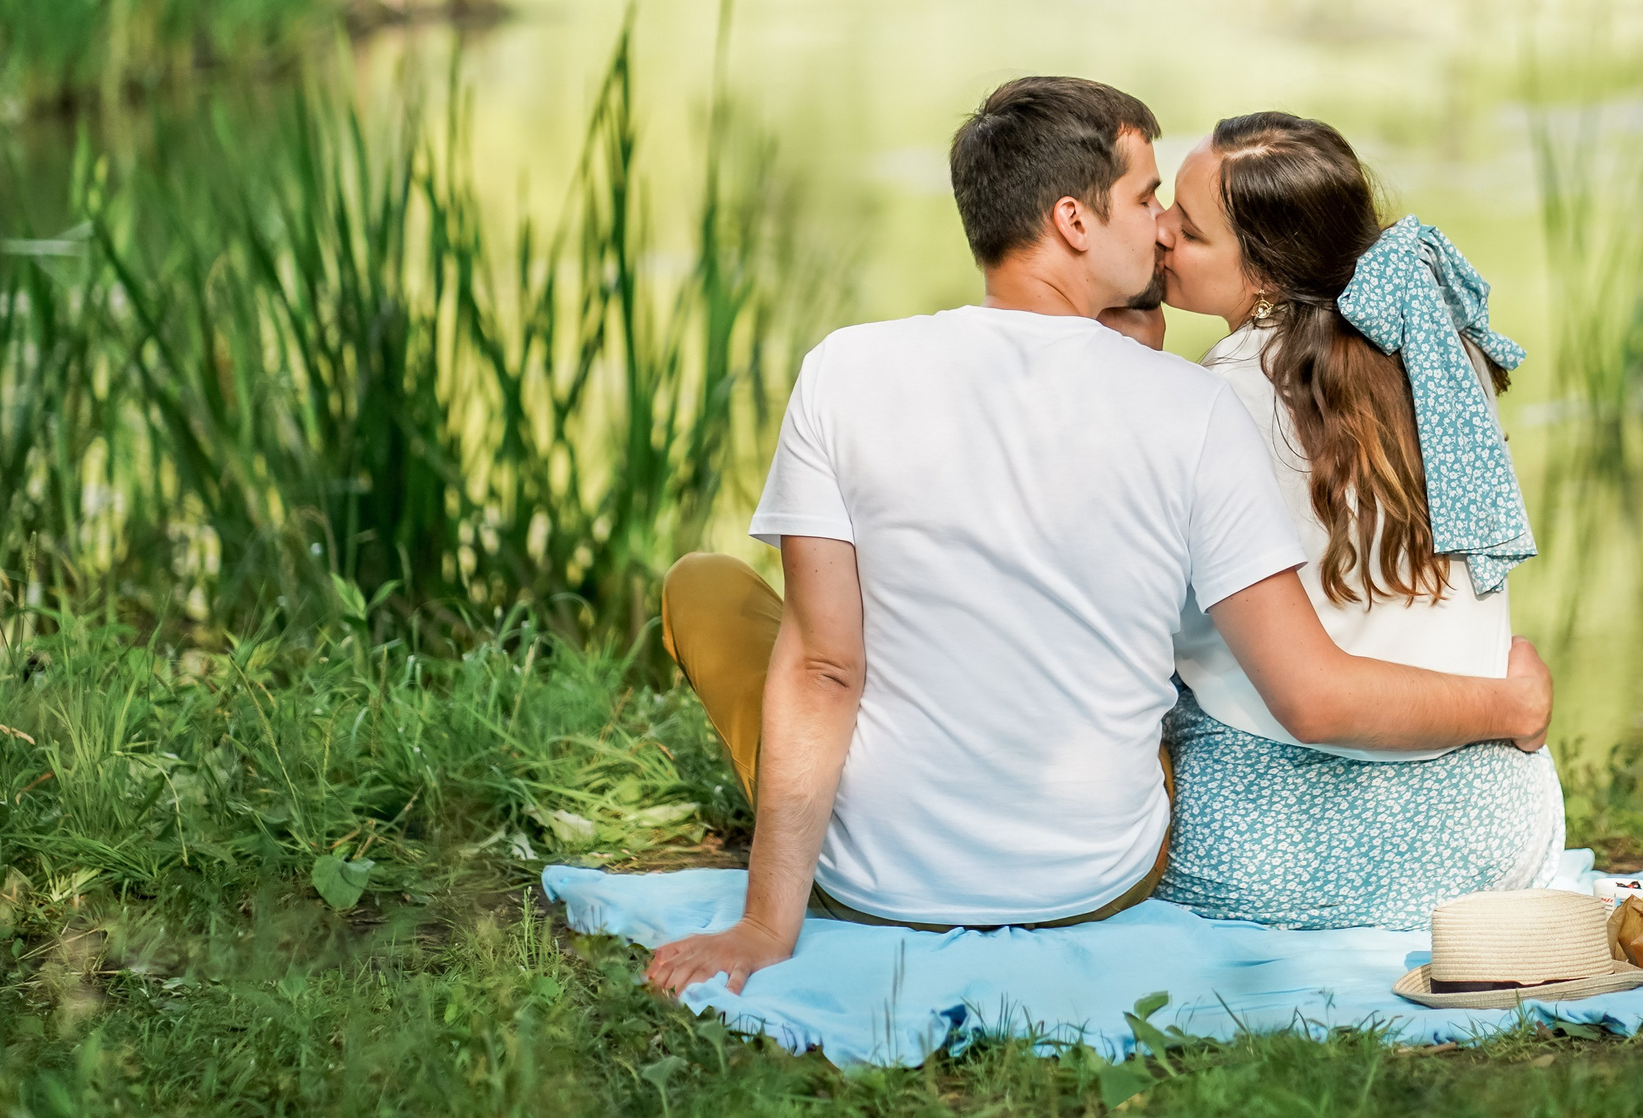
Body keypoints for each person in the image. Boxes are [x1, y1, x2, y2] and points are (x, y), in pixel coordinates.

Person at [644, 77, 1554, 997]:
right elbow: (1305, 686)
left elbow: (827, 669)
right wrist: (1509, 706)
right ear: (1076, 222)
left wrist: (767, 923)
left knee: (717, 590)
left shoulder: (844, 368)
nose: (1160, 228)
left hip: (880, 881)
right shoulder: (1201, 402)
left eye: (1175, 214)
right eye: (1148, 197)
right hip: (1099, 878)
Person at [1153, 111, 1566, 929]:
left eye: (1189, 231)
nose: (1160, 231)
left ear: (1265, 276)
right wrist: (1510, 703)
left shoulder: (1209, 403)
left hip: (1278, 855)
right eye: (1166, 205)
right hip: (1492, 840)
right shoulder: (1441, 349)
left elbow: (1312, 701)